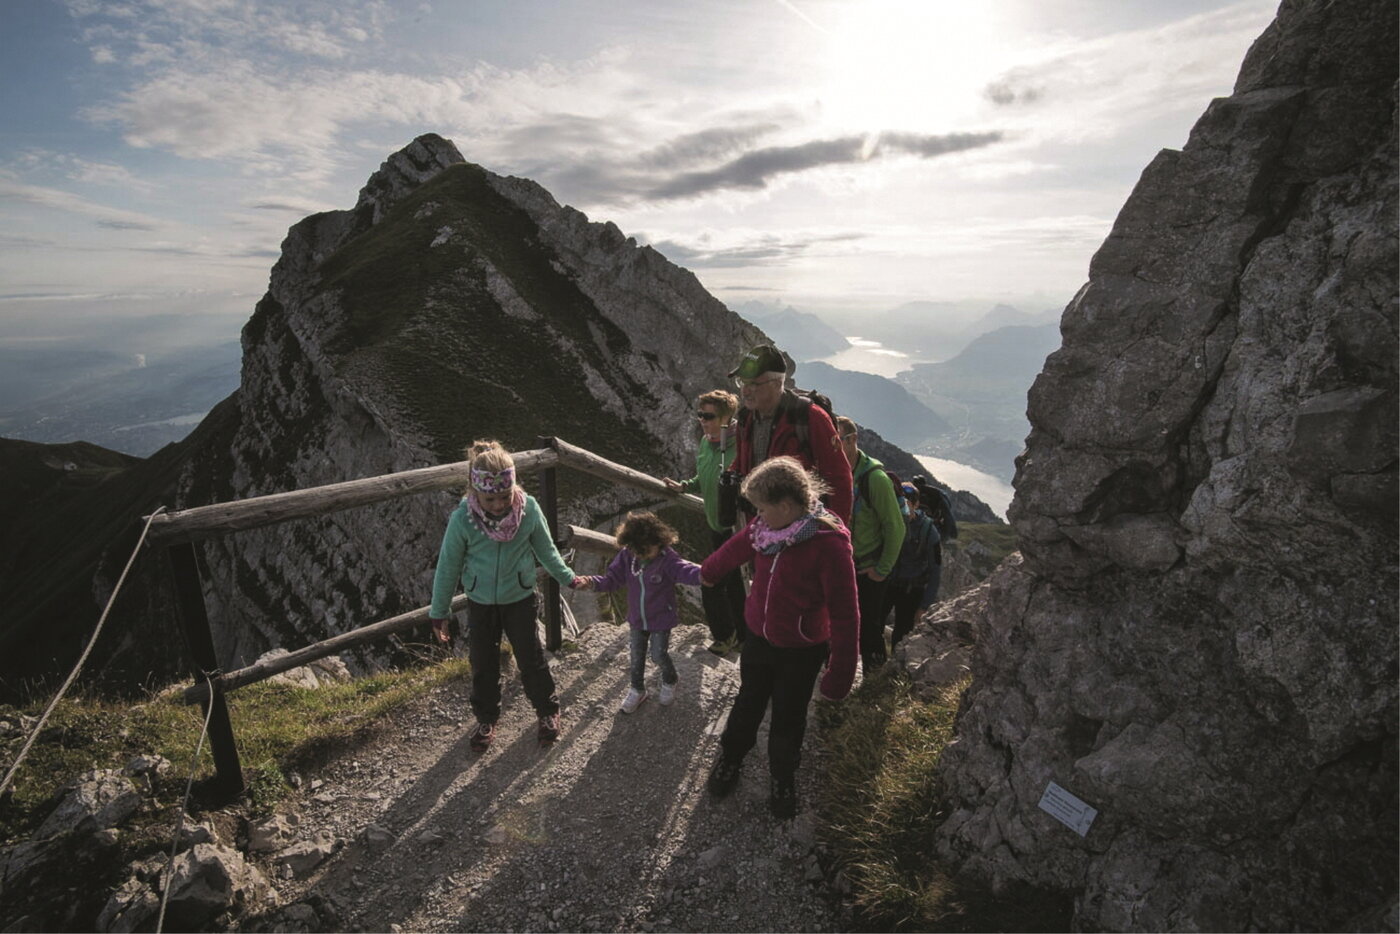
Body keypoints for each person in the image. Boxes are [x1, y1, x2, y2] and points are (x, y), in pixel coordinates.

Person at [700, 456, 859, 820]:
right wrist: (710, 571)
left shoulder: (830, 545)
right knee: (748, 703)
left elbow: (846, 615)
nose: (756, 516)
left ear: (786, 505)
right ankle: (731, 758)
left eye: (761, 508)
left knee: (789, 716)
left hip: (801, 650)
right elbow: (739, 545)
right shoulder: (768, 528)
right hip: (758, 637)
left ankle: (782, 777)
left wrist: (839, 674)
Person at [428, 440, 578, 751]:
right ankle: (486, 717)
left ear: (514, 487)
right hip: (480, 602)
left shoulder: (529, 510)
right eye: (490, 498)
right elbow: (448, 566)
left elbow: (547, 551)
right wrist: (439, 611)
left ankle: (548, 711)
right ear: (475, 492)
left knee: (530, 658)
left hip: (520, 597)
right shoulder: (463, 520)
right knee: (482, 661)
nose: (498, 505)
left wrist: (569, 578)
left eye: (504, 496)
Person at [574, 512, 703, 714]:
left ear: (659, 542)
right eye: (636, 550)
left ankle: (670, 679)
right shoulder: (627, 556)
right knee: (636, 656)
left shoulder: (667, 559)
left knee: (658, 654)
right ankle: (637, 690)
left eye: (646, 550)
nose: (641, 555)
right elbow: (612, 580)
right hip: (637, 618)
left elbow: (685, 571)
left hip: (661, 618)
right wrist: (591, 582)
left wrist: (707, 573)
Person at [728, 345, 853, 525]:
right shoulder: (746, 418)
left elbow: (838, 478)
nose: (745, 390)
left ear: (777, 383)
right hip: (758, 527)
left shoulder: (810, 417)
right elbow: (742, 463)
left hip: (799, 530)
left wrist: (835, 532)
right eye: (742, 382)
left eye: (754, 383)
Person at [664, 389, 747, 655]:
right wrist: (685, 486)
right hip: (716, 526)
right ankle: (739, 636)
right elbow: (706, 477)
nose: (702, 420)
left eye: (708, 416)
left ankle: (727, 636)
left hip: (737, 529)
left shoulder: (741, 445)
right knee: (732, 585)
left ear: (726, 417)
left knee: (714, 582)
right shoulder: (706, 442)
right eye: (700, 414)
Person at [834, 416, 905, 674]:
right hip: (845, 564)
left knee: (869, 627)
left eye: (837, 440)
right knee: (839, 621)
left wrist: (881, 570)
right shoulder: (836, 471)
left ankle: (873, 679)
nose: (832, 446)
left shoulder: (874, 479)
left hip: (869, 568)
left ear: (852, 440)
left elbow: (895, 527)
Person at [886, 483, 941, 652]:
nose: (904, 506)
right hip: (887, 582)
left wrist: (924, 606)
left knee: (901, 633)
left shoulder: (929, 532)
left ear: (916, 504)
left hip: (912, 590)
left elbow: (936, 571)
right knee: (872, 623)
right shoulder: (889, 520)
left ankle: (889, 674)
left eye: (908, 502)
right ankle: (873, 669)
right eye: (900, 502)